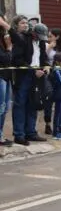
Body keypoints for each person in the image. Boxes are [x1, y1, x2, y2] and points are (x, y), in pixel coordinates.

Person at [0, 18, 11, 146]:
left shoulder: (4, 38)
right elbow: (6, 58)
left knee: (5, 108)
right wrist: (9, 48)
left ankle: (1, 134)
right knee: (1, 108)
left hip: (6, 76)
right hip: (1, 77)